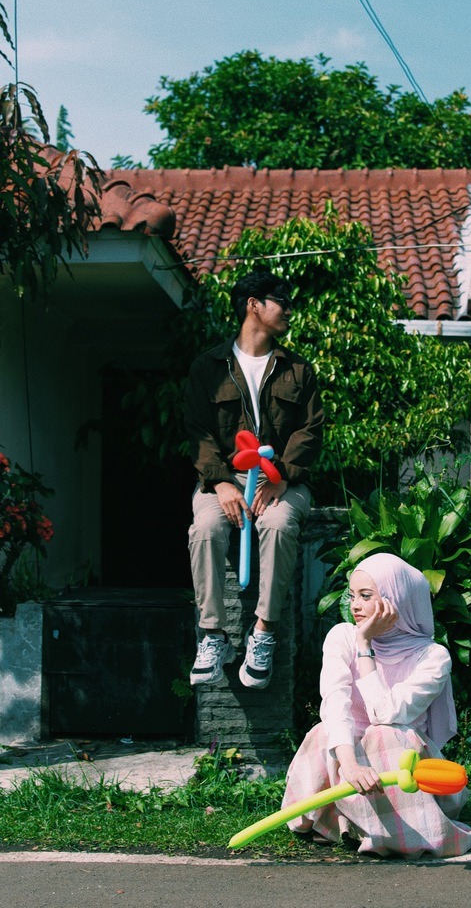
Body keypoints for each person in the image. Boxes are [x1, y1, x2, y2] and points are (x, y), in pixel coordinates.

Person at [282, 553, 471, 858]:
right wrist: (350, 765)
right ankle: (350, 821)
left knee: (383, 733)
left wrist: (365, 647)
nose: (355, 605)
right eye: (352, 595)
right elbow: (335, 703)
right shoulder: (341, 636)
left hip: (402, 767)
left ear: (397, 600)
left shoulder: (432, 657)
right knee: (326, 731)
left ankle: (399, 832)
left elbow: (385, 713)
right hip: (351, 762)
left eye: (366, 595)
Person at [185, 267, 324, 689]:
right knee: (205, 529)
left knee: (279, 525)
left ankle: (263, 631)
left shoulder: (298, 369)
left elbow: (311, 430)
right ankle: (213, 635)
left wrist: (282, 476)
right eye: (282, 302)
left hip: (282, 480)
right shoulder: (208, 367)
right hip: (222, 479)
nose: (289, 311)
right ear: (253, 305)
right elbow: (198, 431)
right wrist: (221, 482)